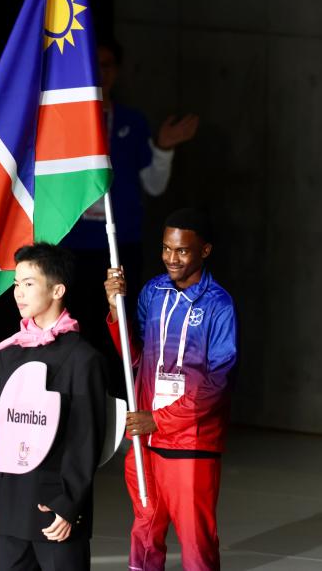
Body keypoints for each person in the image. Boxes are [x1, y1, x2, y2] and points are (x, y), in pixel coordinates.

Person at [104, 207, 237, 571]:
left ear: (204, 251)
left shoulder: (219, 305)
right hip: (145, 442)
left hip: (190, 444)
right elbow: (137, 362)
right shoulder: (152, 292)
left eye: (181, 251)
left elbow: (217, 385)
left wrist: (157, 420)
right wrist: (116, 314)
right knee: (145, 534)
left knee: (196, 542)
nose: (171, 259)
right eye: (166, 249)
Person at [62, 37, 199, 375]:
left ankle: (122, 408)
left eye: (108, 65)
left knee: (120, 327)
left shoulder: (132, 122)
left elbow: (153, 184)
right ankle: (78, 405)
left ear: (118, 72)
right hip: (72, 244)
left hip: (120, 245)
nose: (101, 72)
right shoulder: (63, 120)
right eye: (94, 64)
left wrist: (164, 148)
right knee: (76, 328)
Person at [0, 243, 108, 570]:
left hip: (56, 509)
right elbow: (8, 430)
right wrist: (1, 495)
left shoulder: (83, 358)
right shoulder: (10, 352)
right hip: (13, 505)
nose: (18, 293)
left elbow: (85, 437)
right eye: (16, 284)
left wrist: (70, 505)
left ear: (57, 289)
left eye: (29, 284)